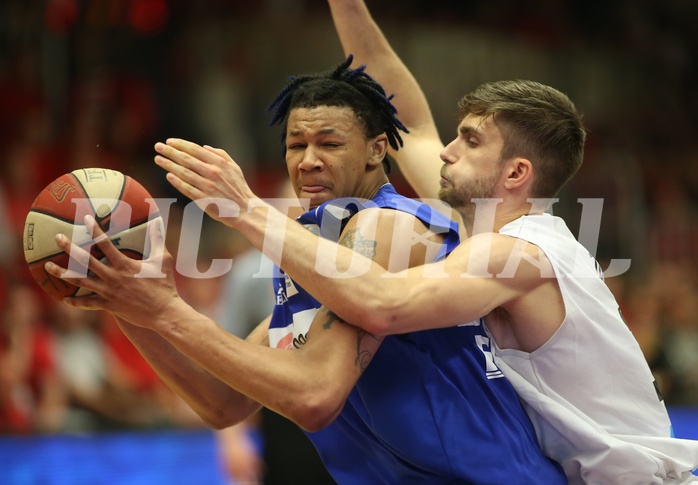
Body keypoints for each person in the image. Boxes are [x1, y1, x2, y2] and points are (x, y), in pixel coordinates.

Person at [140, 3, 698, 484]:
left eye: (470, 141)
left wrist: (246, 209)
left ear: (515, 173)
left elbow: (381, 303)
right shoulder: (481, 222)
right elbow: (402, 106)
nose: (445, 150)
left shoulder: (518, 253)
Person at [46, 59, 566, 483]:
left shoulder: (388, 226)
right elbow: (223, 401)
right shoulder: (313, 255)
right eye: (296, 145)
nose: (308, 160)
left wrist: (168, 308)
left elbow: (315, 395)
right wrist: (128, 304)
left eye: (330, 143)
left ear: (376, 150)